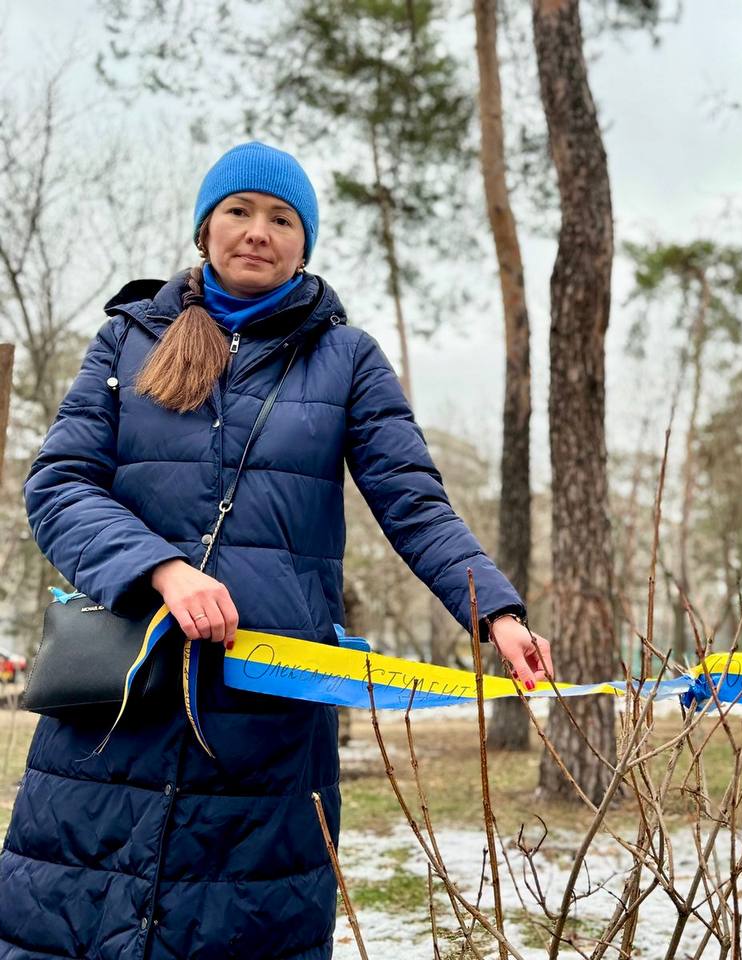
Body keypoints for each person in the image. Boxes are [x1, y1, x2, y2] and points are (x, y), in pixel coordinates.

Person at [0, 141, 552, 960]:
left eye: (281, 218)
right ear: (205, 228)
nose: (258, 232)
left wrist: (496, 611)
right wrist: (162, 569)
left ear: (305, 242)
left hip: (264, 734)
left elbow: (414, 502)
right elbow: (59, 484)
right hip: (113, 719)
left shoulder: (348, 359)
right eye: (239, 211)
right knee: (72, 928)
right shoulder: (128, 340)